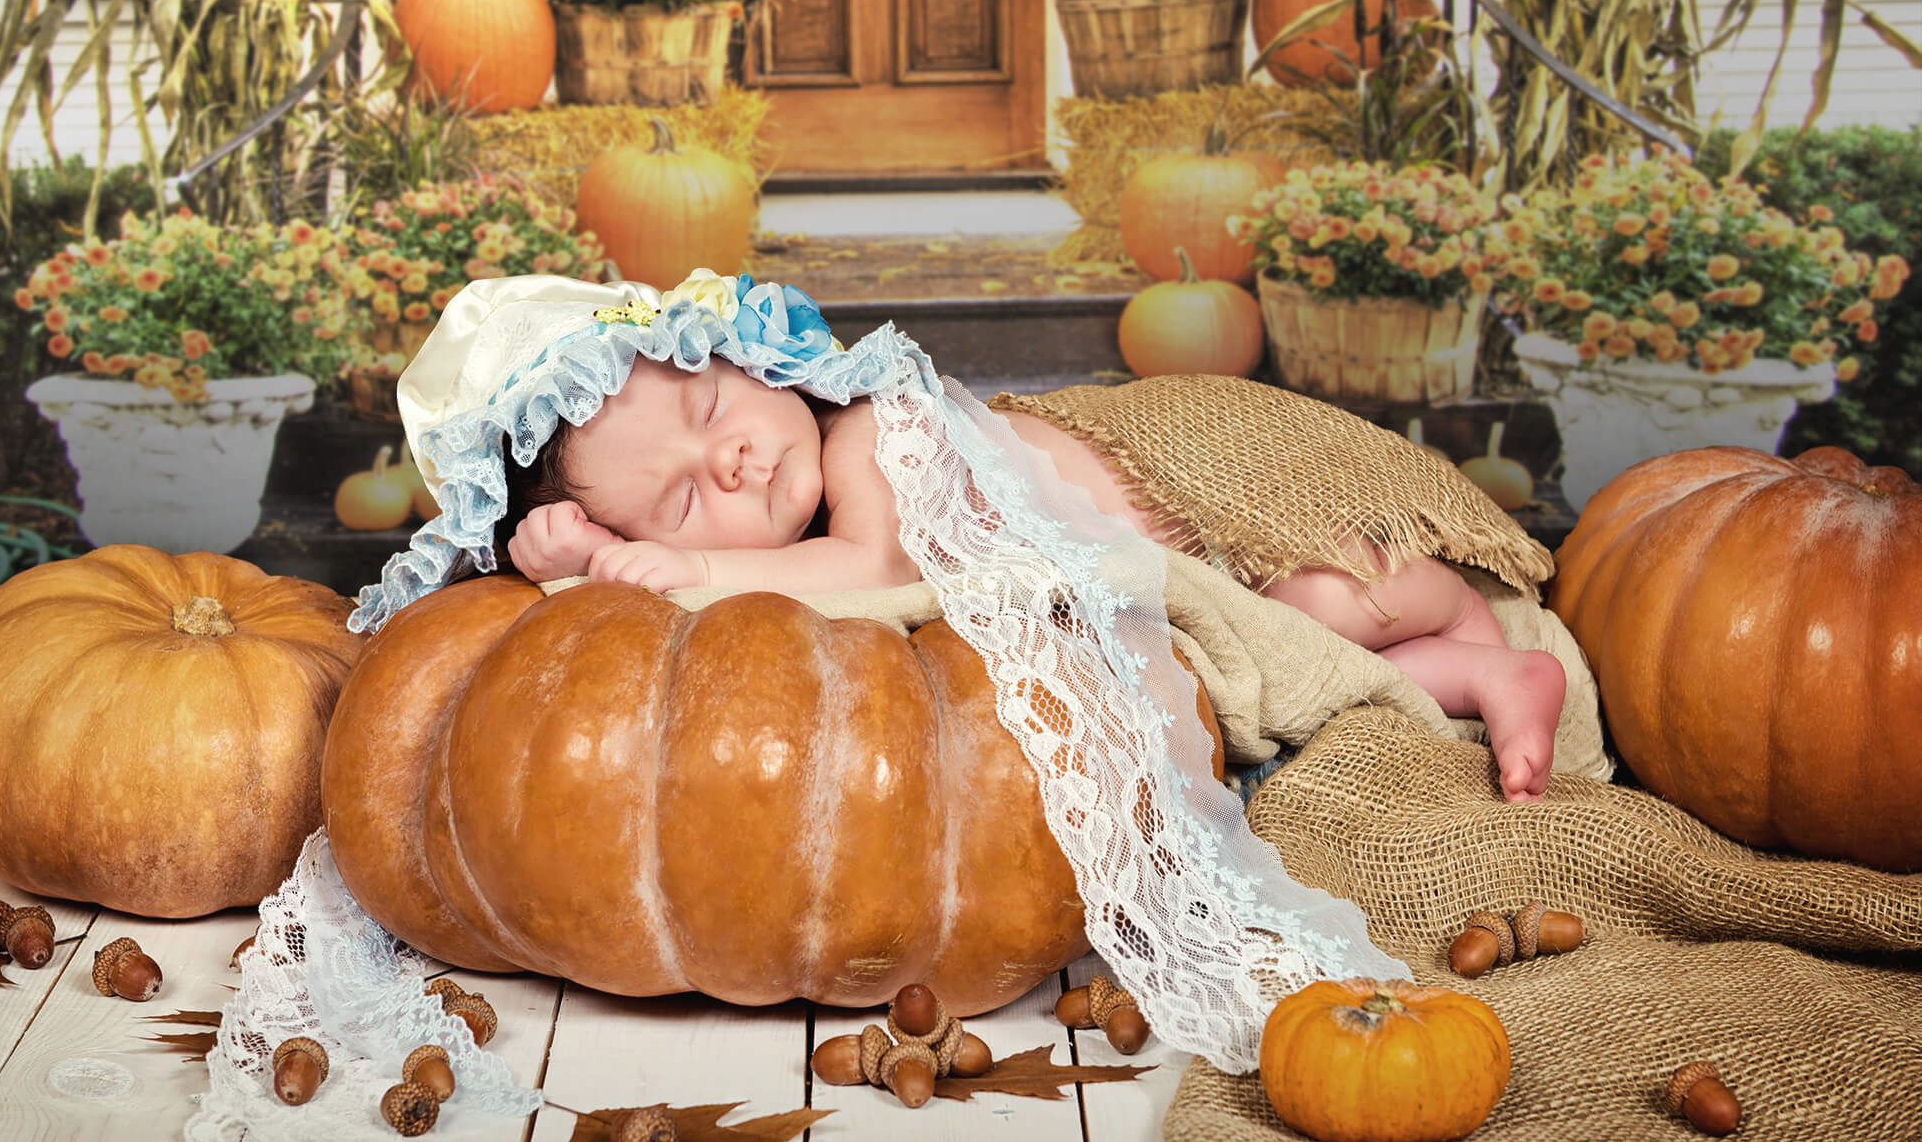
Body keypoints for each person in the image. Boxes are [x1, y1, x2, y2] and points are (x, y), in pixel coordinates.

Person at [501, 355, 1568, 802]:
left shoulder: (869, 433)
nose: (727, 457)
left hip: (1213, 494)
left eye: (710, 409)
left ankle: (1477, 638)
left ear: (751, 362)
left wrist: (682, 555)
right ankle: (1478, 679)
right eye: (686, 496)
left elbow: (869, 571)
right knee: (1290, 658)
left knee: (1324, 602)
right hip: (1180, 577)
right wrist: (582, 556)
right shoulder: (804, 506)